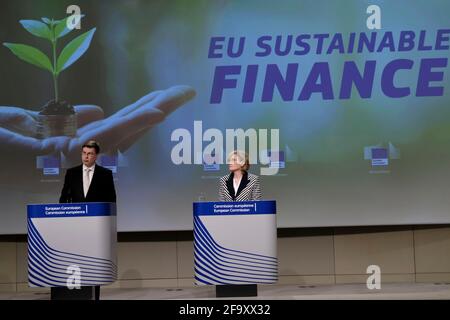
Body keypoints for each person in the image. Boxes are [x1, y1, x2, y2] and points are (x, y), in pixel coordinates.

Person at [55, 140, 116, 301]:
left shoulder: (105, 174)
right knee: (76, 261)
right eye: (84, 153)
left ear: (96, 156)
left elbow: (111, 202)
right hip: (75, 228)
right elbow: (63, 199)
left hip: (96, 229)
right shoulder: (72, 173)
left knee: (94, 265)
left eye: (89, 154)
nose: (86, 156)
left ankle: (94, 296)